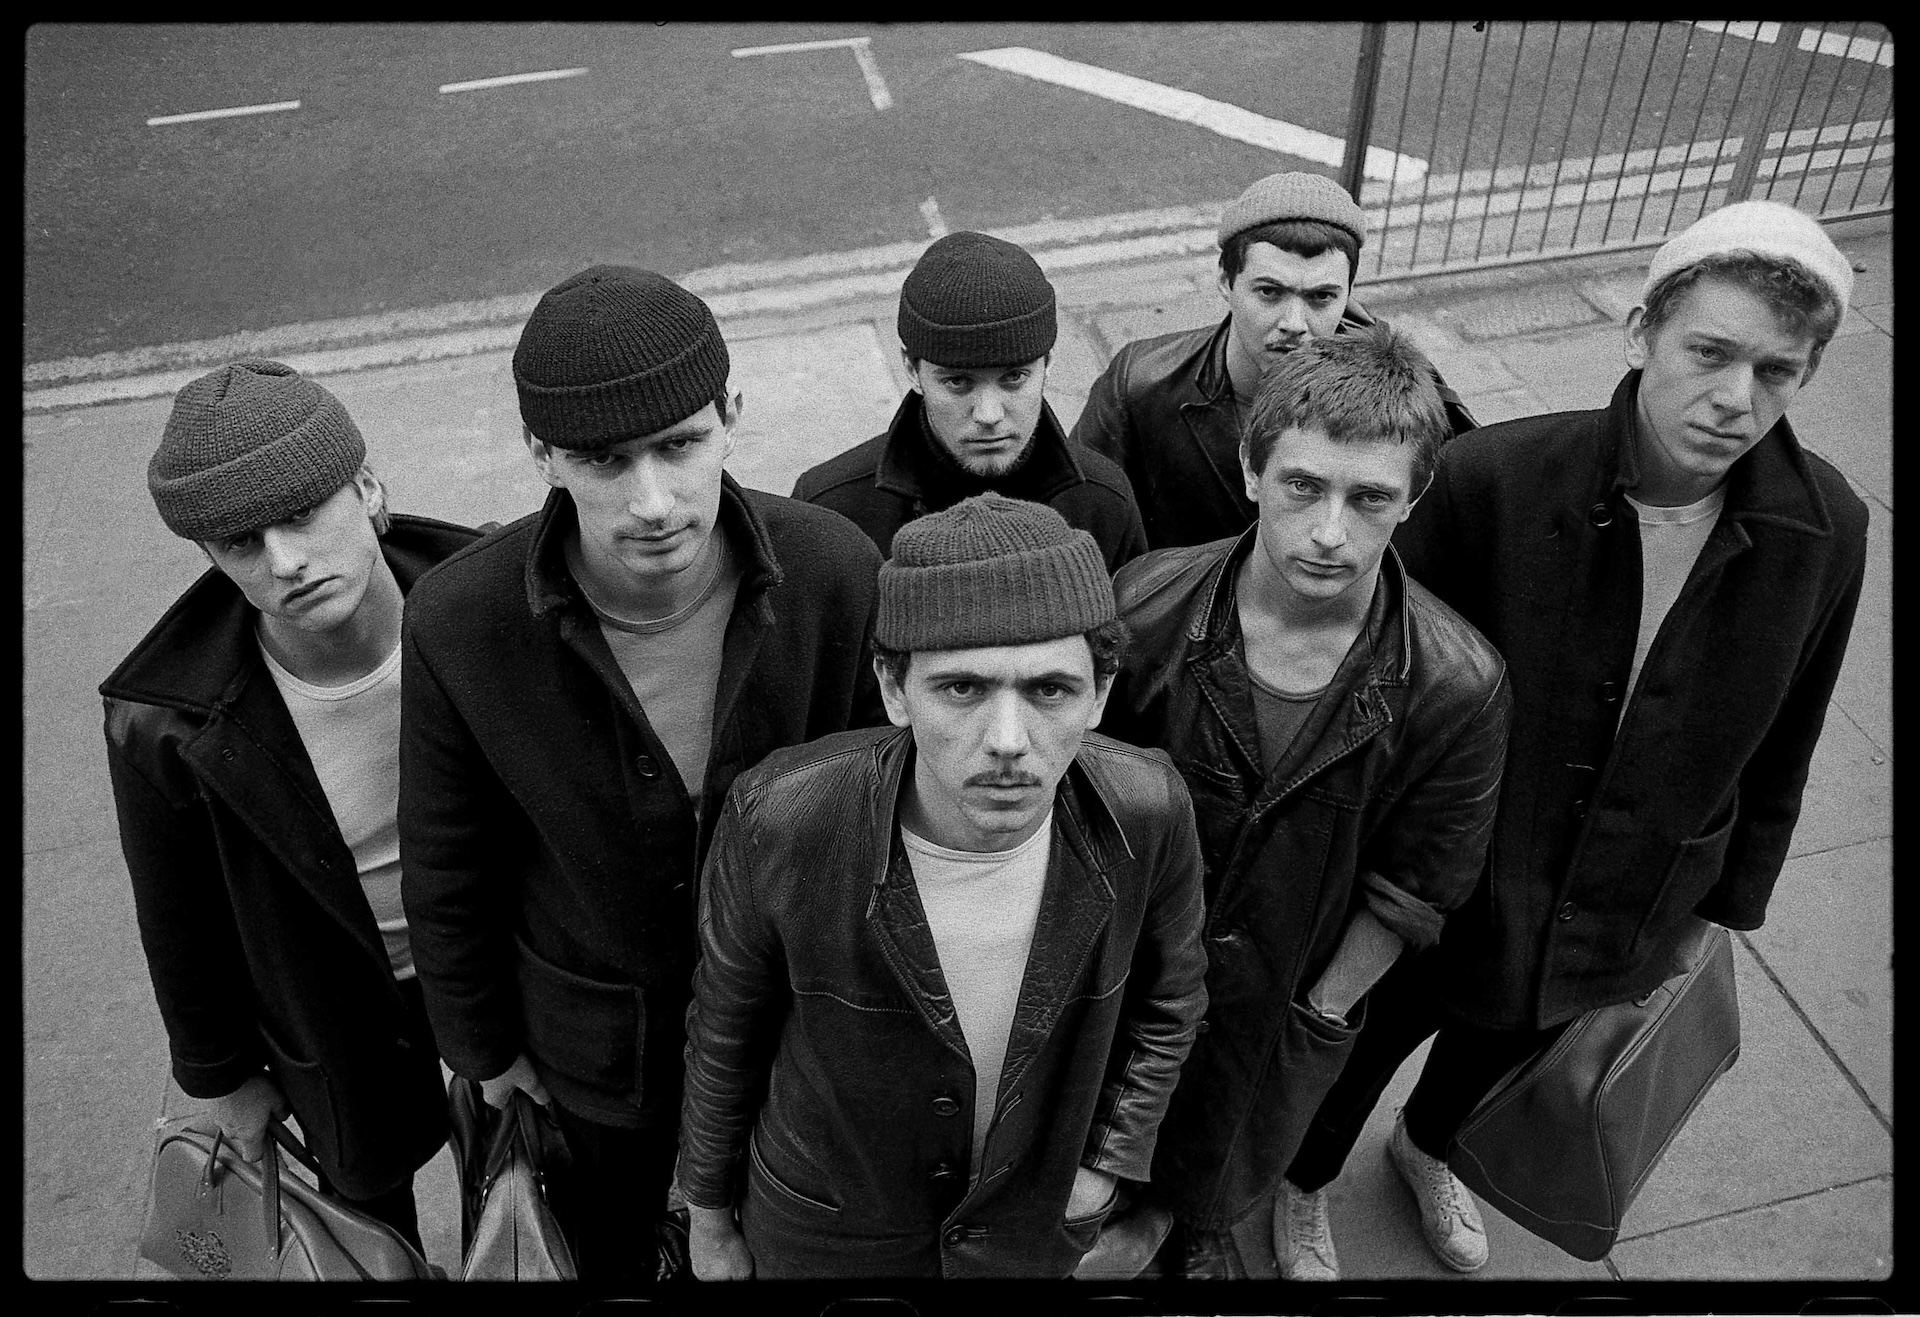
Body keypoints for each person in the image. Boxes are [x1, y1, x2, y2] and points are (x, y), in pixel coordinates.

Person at [1286, 199, 1870, 1275]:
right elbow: (1388, 701)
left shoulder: (1826, 527)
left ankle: (1428, 1150)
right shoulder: (1491, 481)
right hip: (1454, 878)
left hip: (1627, 891)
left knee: (1497, 1052)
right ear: (1641, 331)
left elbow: (1789, 729)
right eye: (1709, 352)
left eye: (1777, 371)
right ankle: (1305, 1179)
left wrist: (1722, 911)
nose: (1736, 399)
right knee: (1360, 1049)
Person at [398, 265, 885, 1283]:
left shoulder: (836, 572)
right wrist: (483, 1054)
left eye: (679, 446)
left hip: (792, 1054)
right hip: (589, 1074)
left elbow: (879, 831)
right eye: (604, 461)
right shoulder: (461, 621)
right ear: (539, 454)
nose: (651, 500)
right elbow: (449, 867)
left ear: (733, 417)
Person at [678, 493, 1209, 1279]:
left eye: (1049, 691)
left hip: (1030, 1222)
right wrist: (710, 1217)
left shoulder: (1149, 808)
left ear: (1099, 694)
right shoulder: (782, 818)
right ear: (895, 688)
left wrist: (1101, 1166)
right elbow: (725, 1026)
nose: (1006, 741)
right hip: (827, 1228)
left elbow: (1174, 1000)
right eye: (962, 688)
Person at [1102, 329, 1511, 1279]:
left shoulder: (1458, 684)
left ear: (1413, 498)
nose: (1330, 530)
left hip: (1283, 999)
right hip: (1126, 968)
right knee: (1094, 1157)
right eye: (1303, 486)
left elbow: (1417, 889)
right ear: (1252, 469)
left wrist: (1318, 1012)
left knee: (1221, 1162)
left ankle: (1198, 1232)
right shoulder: (1146, 606)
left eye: (1368, 497)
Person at [103, 359, 475, 1252]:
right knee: (362, 1225)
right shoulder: (163, 715)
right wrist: (221, 1076)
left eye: (302, 513)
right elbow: (177, 916)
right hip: (328, 1002)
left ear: (369, 487)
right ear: (209, 557)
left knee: (528, 1191)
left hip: (497, 965)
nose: (285, 562)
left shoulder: (487, 598)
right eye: (240, 544)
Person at [1073, 170, 1477, 551]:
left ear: (1349, 292)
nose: (1294, 324)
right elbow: (1084, 517)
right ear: (1225, 281)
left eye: (1321, 297)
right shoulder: (1142, 382)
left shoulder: (1404, 386)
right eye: (1269, 293)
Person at [793, 230, 1147, 570]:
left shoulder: (1102, 502)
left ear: (1047, 365)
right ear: (912, 370)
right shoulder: (832, 512)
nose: (989, 415)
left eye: (1013, 378)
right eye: (958, 382)